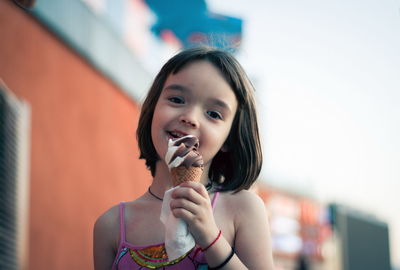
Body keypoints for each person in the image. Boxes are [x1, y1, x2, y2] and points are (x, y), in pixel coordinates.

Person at [93, 46, 274, 269]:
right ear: (153, 110)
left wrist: (210, 237)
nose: (190, 118)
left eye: (214, 114)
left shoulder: (243, 209)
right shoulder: (111, 225)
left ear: (229, 138)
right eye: (177, 99)